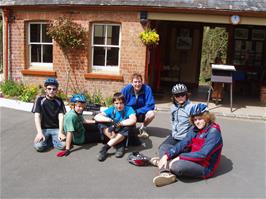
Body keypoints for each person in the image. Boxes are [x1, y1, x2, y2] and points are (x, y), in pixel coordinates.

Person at [153, 103, 223, 187]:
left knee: (177, 166)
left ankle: (164, 164)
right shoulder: (195, 129)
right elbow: (183, 143)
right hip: (191, 157)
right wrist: (167, 155)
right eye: (195, 120)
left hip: (204, 166)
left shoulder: (213, 131)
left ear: (207, 118)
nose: (197, 122)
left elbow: (203, 154)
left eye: (200, 119)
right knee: (164, 147)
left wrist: (180, 157)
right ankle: (165, 171)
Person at [150, 83, 194, 165]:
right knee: (161, 148)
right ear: (174, 96)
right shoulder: (173, 107)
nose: (180, 97)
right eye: (177, 95)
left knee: (175, 152)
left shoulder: (191, 108)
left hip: (184, 139)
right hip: (174, 136)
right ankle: (165, 160)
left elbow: (197, 124)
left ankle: (164, 166)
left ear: (186, 95)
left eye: (182, 95)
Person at [94, 92, 137, 161]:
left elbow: (133, 120)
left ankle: (105, 148)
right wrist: (111, 120)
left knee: (129, 126)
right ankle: (120, 145)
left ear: (124, 103)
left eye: (121, 103)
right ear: (113, 104)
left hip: (123, 133)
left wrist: (120, 123)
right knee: (100, 123)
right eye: (117, 103)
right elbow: (97, 116)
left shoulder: (129, 109)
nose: (119, 105)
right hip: (113, 133)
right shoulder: (112, 109)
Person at [32, 77, 66, 152]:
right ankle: (49, 139)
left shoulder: (59, 100)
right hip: (44, 129)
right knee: (38, 147)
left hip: (56, 129)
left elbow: (61, 116)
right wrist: (39, 133)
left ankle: (51, 139)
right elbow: (37, 116)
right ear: (45, 90)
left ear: (57, 90)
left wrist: (60, 132)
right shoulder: (40, 100)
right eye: (49, 88)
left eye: (54, 89)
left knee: (63, 145)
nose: (51, 91)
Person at [121, 73, 155, 138]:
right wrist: (128, 111)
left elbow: (151, 105)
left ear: (142, 82)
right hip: (129, 113)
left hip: (141, 113)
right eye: (135, 82)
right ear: (132, 83)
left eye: (139, 82)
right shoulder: (126, 89)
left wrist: (136, 111)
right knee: (130, 131)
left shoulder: (147, 89)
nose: (137, 84)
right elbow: (120, 101)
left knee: (151, 114)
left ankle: (143, 128)